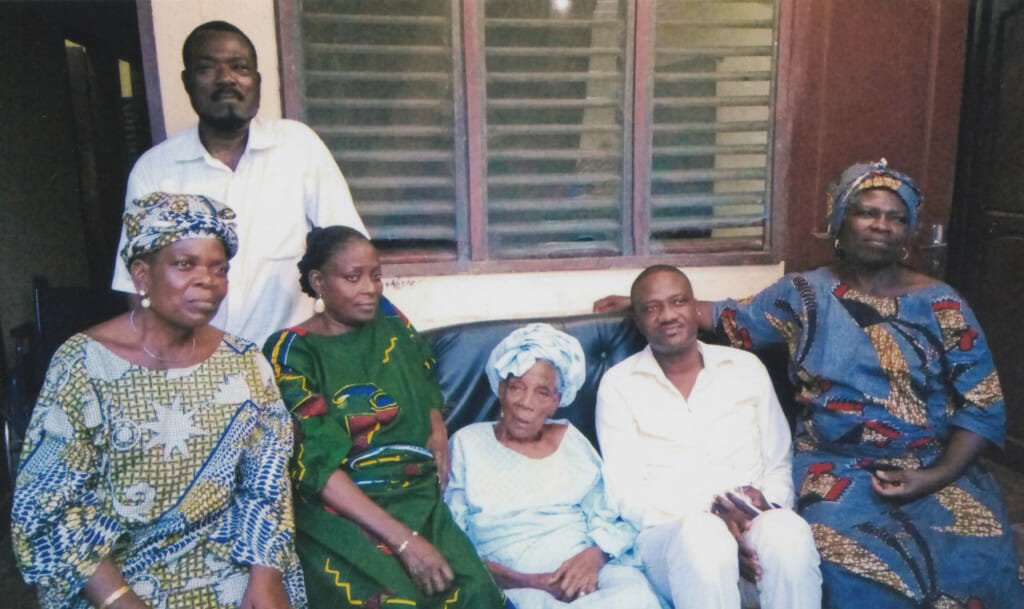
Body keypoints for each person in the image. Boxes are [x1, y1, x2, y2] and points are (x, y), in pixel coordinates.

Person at [595, 159, 1024, 608]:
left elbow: (983, 405)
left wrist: (933, 476)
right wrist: (648, 305)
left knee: (978, 557)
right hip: (834, 469)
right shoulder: (802, 294)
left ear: (909, 231)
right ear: (840, 221)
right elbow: (729, 316)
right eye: (867, 212)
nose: (881, 225)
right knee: (849, 562)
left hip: (933, 465)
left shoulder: (942, 304)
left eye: (896, 217)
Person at [12, 192, 304, 609]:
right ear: (142, 276)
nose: (207, 280)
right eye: (185, 264)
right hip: (114, 579)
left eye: (219, 268)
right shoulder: (83, 365)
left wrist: (266, 580)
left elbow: (267, 485)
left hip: (231, 570)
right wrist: (122, 600)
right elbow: (47, 511)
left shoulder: (244, 363)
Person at [262, 226, 510, 609]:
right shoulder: (291, 351)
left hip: (417, 498)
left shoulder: (390, 321)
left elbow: (422, 372)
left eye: (376, 276)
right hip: (342, 512)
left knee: (474, 593)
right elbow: (316, 466)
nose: (370, 289)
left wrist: (436, 425)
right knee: (396, 603)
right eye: (352, 277)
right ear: (318, 281)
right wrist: (406, 543)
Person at [111, 20, 367, 345]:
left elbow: (350, 255)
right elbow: (137, 289)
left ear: (257, 81)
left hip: (292, 360)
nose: (226, 78)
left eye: (239, 67)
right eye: (207, 68)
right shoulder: (155, 169)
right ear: (187, 82)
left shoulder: (299, 148)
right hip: (199, 363)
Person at [595, 265, 822, 609]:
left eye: (678, 301)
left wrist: (756, 511)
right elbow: (627, 492)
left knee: (787, 531)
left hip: (751, 523)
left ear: (694, 307)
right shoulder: (619, 384)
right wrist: (717, 524)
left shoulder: (745, 368)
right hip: (671, 539)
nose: (668, 315)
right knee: (703, 538)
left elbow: (779, 462)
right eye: (652, 308)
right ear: (638, 321)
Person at [445, 323, 662, 609]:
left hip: (587, 572)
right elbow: (452, 540)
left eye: (542, 393)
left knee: (634, 597)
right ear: (501, 389)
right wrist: (525, 581)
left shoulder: (570, 438)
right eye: (516, 387)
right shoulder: (466, 443)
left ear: (556, 401)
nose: (526, 403)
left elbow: (610, 515)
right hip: (513, 584)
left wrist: (594, 557)